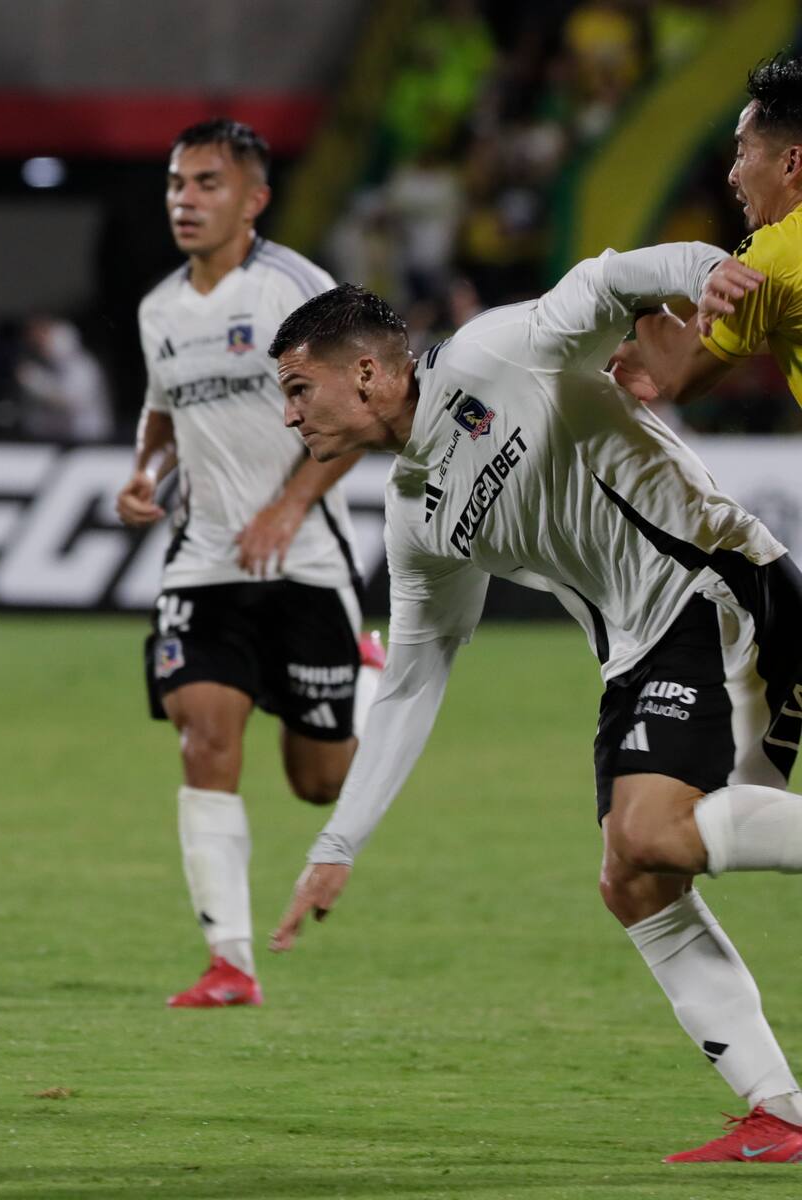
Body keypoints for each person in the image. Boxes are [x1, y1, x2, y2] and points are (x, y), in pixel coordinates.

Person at [265, 262, 802, 1162]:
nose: (289, 415)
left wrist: (710, 273)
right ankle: (780, 1110)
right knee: (633, 877)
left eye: (296, 388)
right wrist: (337, 844)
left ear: (363, 372)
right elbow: (413, 674)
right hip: (639, 652)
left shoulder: (494, 354)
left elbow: (611, 280)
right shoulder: (415, 513)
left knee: (652, 829)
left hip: (717, 590)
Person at [115, 118, 382, 1009]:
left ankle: (367, 678)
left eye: (206, 184)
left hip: (304, 561)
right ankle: (230, 960)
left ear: (254, 199)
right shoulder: (159, 309)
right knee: (204, 735)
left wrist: (286, 505)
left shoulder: (297, 293)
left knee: (320, 784)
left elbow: (370, 414)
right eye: (176, 184)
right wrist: (145, 473)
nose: (185, 201)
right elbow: (162, 411)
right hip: (203, 562)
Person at [619, 54, 802, 409]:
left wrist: (638, 294)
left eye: (742, 150)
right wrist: (655, 352)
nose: (733, 174)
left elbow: (677, 376)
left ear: (791, 162)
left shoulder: (772, 255)